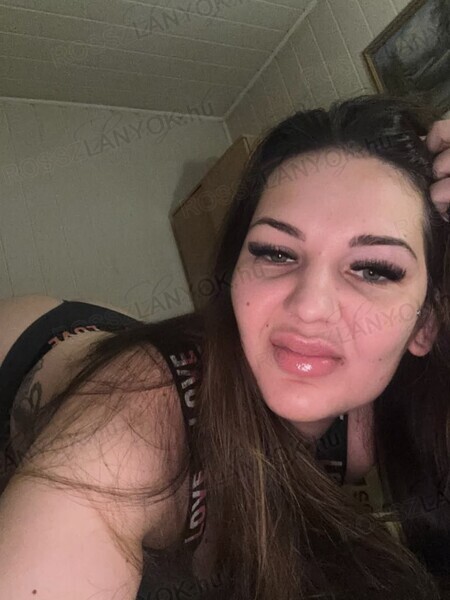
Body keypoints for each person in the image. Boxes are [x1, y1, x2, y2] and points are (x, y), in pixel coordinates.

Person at [0, 93, 449, 600]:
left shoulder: (361, 431)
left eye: (373, 269)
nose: (309, 307)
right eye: (276, 253)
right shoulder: (128, 435)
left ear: (424, 325)